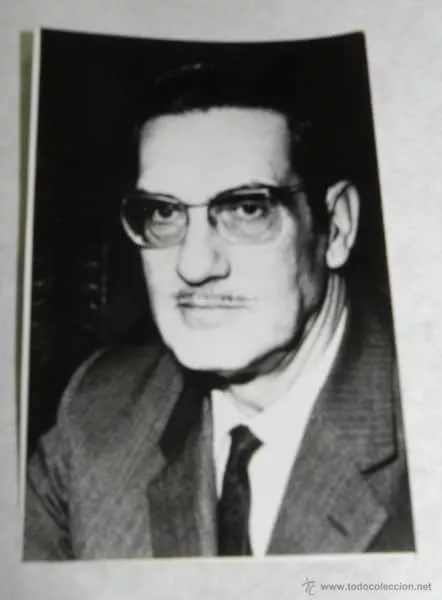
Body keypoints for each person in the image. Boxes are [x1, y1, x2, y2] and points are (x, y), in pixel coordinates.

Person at [24, 61, 414, 560]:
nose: (193, 265)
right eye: (164, 212)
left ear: (336, 227)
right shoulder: (99, 409)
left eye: (247, 209)